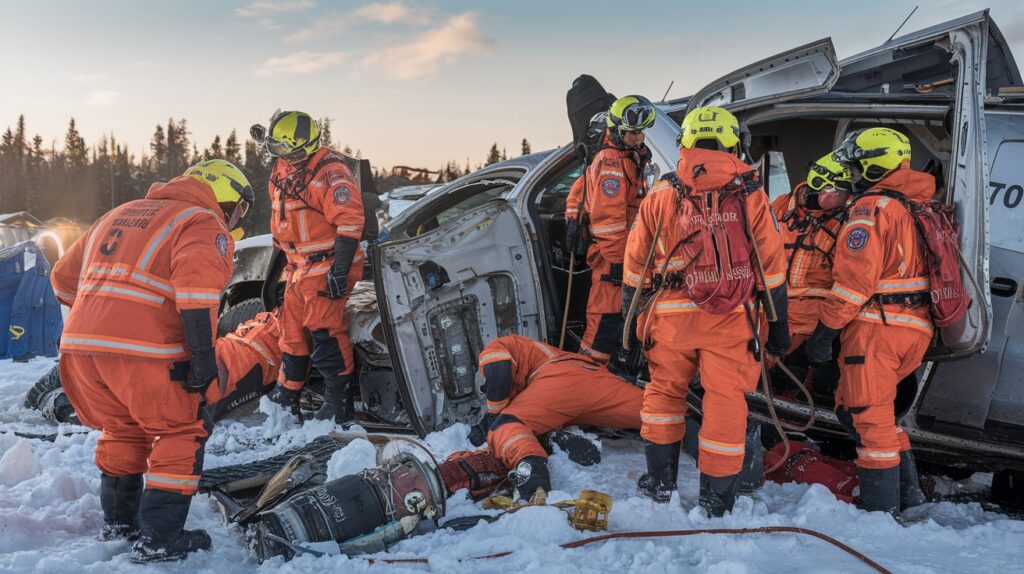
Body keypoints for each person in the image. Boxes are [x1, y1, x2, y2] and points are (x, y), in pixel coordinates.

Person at [51, 159, 253, 562]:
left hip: (79, 351)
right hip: (144, 353)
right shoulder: (201, 221)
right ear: (226, 197)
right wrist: (202, 360)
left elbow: (61, 278)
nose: (235, 219)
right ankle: (161, 538)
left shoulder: (118, 213)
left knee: (123, 428)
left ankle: (121, 524)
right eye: (240, 209)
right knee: (182, 430)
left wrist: (99, 319)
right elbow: (196, 293)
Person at [622, 106, 789, 516]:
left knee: (663, 395)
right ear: (734, 142)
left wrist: (628, 325)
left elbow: (634, 266)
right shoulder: (751, 193)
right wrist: (779, 326)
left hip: (670, 317)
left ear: (687, 143)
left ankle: (660, 484)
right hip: (731, 318)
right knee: (725, 402)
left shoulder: (661, 193)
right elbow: (771, 267)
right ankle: (717, 500)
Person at [805, 127, 931, 514]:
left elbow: (852, 283)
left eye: (858, 164)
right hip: (913, 329)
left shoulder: (872, 208)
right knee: (862, 411)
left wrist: (825, 332)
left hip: (878, 328)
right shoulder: (918, 205)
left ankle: (882, 516)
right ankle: (910, 499)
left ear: (875, 165)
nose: (854, 173)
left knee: (867, 418)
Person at [257, 111, 365, 423]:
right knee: (290, 332)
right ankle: (287, 393)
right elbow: (284, 222)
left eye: (286, 150)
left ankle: (338, 401)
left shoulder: (331, 172)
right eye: (276, 149)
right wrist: (274, 275)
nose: (282, 156)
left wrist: (340, 271)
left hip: (329, 261)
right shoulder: (282, 168)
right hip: (297, 266)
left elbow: (350, 221)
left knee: (325, 332)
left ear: (304, 145)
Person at [25, 310, 282, 425]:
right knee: (132, 412)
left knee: (131, 384)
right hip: (213, 379)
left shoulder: (267, 317)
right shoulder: (291, 329)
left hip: (213, 359)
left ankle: (61, 386)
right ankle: (59, 401)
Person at [477, 335, 643, 501]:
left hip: (556, 379)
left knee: (505, 426)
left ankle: (533, 478)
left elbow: (498, 370)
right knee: (653, 413)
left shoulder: (495, 347)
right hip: (590, 373)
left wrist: (494, 416)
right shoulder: (529, 350)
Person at [564, 95, 656, 362]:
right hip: (612, 263)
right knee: (601, 332)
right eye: (632, 133)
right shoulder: (612, 163)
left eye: (641, 132)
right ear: (616, 130)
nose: (638, 138)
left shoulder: (629, 157)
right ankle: (585, 385)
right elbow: (609, 223)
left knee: (620, 329)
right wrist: (623, 264)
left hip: (626, 258)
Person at [770, 155, 852, 396]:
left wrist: (826, 336)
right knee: (770, 389)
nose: (844, 198)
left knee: (801, 391)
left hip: (815, 325)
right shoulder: (779, 209)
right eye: (839, 192)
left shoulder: (845, 221)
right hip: (773, 319)